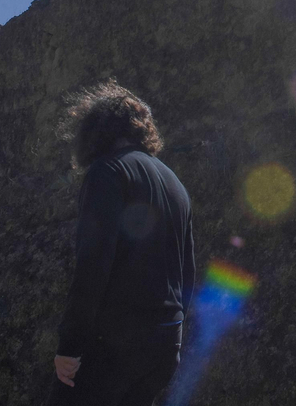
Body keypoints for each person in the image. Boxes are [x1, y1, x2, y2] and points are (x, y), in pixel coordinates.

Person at [50, 80, 196, 406]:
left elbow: (94, 263)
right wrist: (171, 337)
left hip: (115, 345)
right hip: (165, 344)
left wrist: (70, 346)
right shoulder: (176, 184)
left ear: (93, 131)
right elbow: (187, 273)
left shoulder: (109, 171)